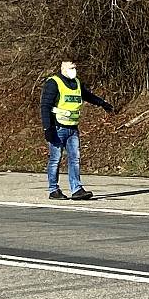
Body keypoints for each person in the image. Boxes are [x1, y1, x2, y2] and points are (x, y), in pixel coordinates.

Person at [40, 58, 114, 200]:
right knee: (55, 159)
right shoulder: (53, 83)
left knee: (75, 159)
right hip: (57, 127)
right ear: (62, 68)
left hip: (72, 127)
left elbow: (86, 95)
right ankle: (53, 190)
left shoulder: (77, 83)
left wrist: (102, 103)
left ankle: (77, 189)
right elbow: (45, 106)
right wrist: (47, 128)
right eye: (70, 67)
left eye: (74, 67)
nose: (73, 70)